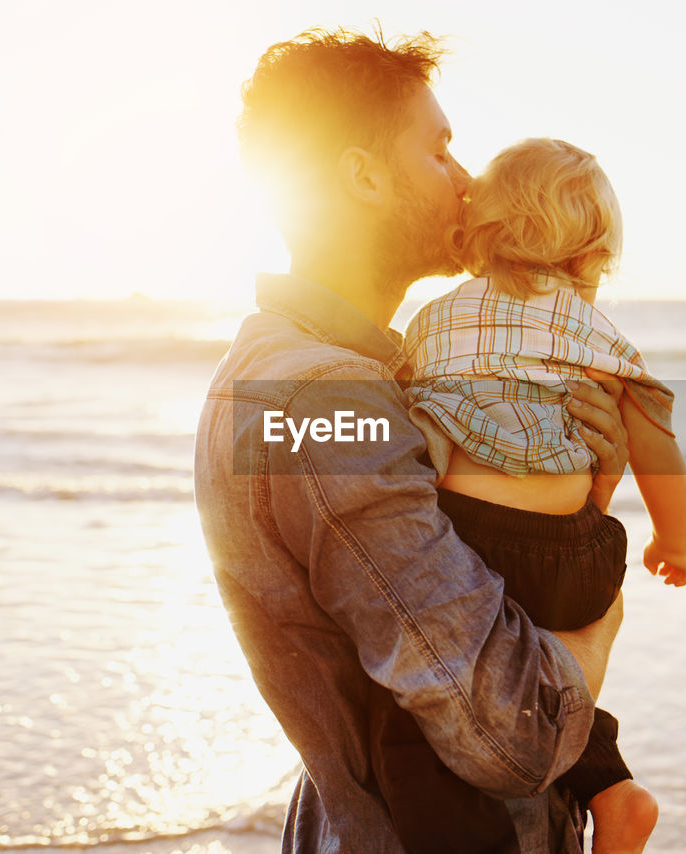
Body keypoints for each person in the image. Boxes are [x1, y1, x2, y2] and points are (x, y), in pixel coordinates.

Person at [195, 28, 633, 852]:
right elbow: (511, 732)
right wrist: (596, 628)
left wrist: (581, 491)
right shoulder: (317, 393)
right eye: (439, 152)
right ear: (362, 176)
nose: (468, 184)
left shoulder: (333, 371)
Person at [371, 138, 686, 854]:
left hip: (476, 545)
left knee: (415, 723)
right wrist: (674, 541)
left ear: (476, 233)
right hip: (585, 555)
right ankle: (613, 791)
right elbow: (655, 441)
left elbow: (405, 419)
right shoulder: (596, 331)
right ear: (592, 257)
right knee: (541, 668)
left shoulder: (434, 320)